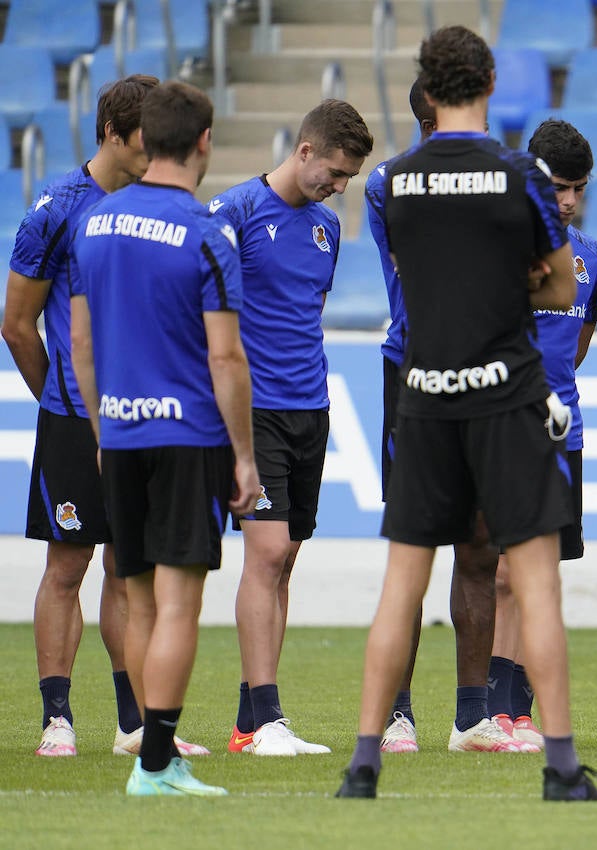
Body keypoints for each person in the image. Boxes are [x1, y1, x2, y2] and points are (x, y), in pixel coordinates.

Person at [336, 24, 597, 801]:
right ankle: (560, 765)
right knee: (533, 576)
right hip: (503, 392)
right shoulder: (520, 175)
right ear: (489, 80)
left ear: (425, 86)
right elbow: (560, 288)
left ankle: (365, 762)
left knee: (401, 581)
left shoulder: (392, 182)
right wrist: (499, 282)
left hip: (423, 390)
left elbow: (411, 277)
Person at [2, 73, 209, 760]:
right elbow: (17, 323)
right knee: (69, 564)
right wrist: (61, 404)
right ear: (115, 134)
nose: (158, 151)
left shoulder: (165, 202)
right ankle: (56, 719)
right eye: (146, 138)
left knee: (132, 569)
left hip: (146, 415)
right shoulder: (57, 208)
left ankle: (136, 726)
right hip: (74, 415)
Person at [69, 79, 258, 795]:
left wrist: (98, 426)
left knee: (140, 599)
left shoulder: (95, 224)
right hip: (186, 436)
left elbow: (80, 342)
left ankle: (156, 755)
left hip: (118, 430)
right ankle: (154, 765)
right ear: (204, 141)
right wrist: (244, 456)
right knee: (178, 603)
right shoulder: (207, 232)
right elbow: (226, 357)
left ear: (143, 139)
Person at [210, 100, 373, 757]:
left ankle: (254, 722)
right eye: (332, 172)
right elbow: (209, 318)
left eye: (347, 179)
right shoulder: (234, 213)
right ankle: (265, 719)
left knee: (285, 563)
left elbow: (305, 313)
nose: (337, 186)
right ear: (304, 150)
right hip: (256, 413)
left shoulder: (327, 229)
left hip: (313, 408)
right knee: (267, 554)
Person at [364, 81, 521, 756]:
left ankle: (471, 717)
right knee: (413, 547)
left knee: (481, 547)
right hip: (417, 368)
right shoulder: (389, 183)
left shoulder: (502, 175)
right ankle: (396, 715)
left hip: (483, 369)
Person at [487, 117, 597, 749]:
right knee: (503, 573)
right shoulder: (498, 245)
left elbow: (577, 344)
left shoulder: (592, 257)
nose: (566, 200)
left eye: (577, 189)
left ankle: (519, 708)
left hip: (565, 430)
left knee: (541, 576)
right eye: (558, 186)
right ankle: (489, 708)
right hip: (502, 424)